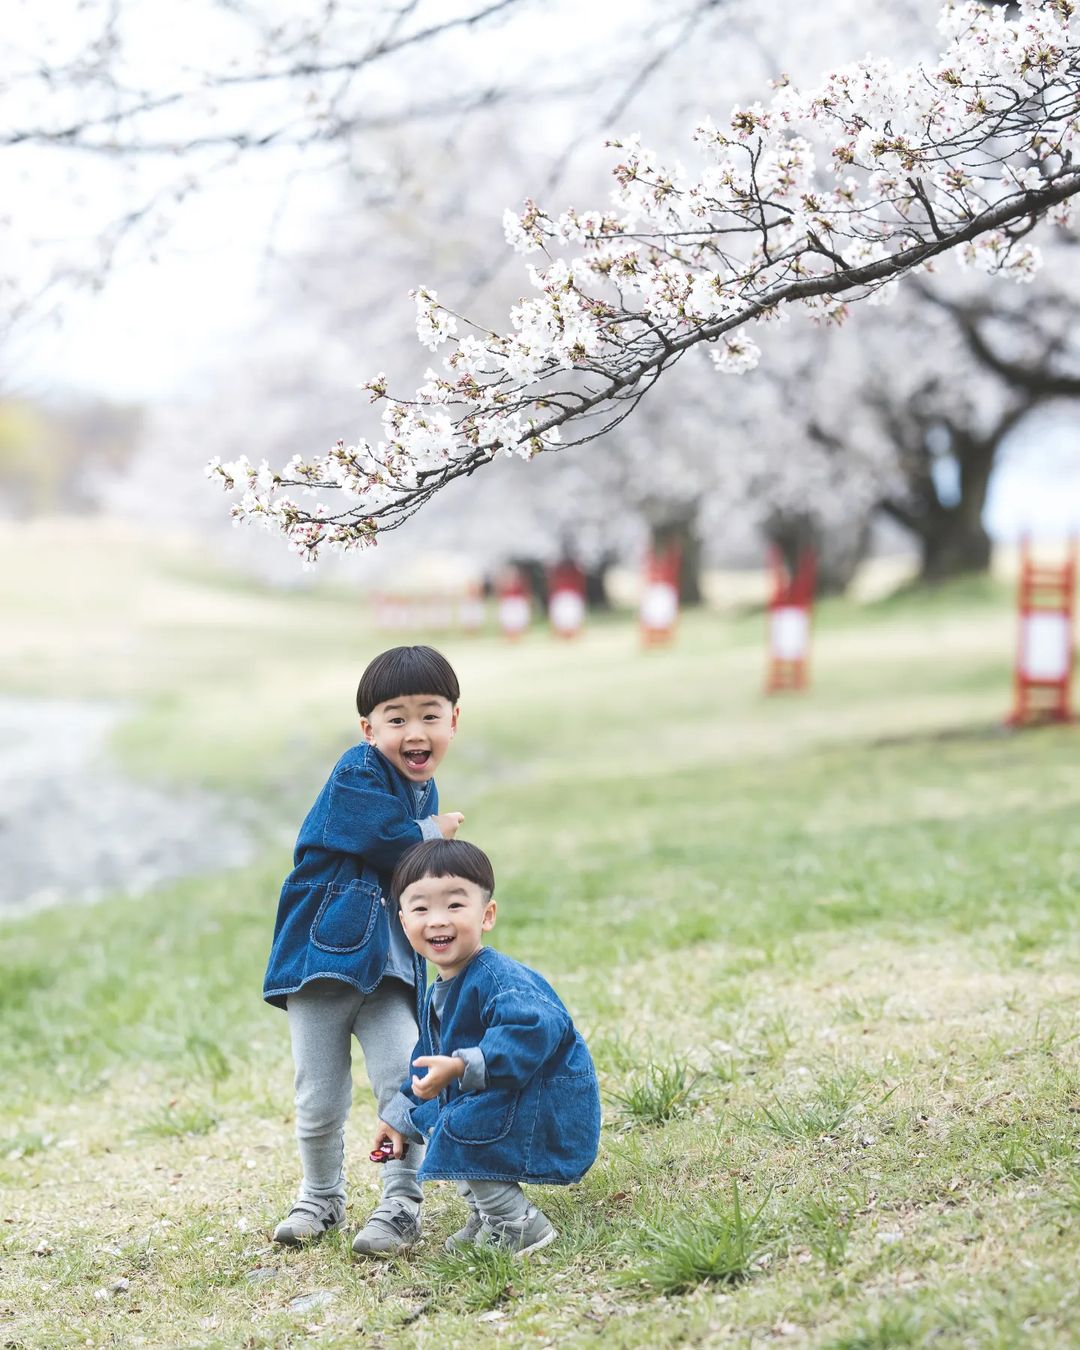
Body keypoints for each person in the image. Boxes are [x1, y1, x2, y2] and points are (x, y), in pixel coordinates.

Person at [265, 645, 464, 1256]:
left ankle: (401, 1202)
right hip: (324, 958)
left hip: (386, 967)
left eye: (429, 715)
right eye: (396, 718)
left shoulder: (422, 790)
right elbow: (384, 841)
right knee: (318, 1093)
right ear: (368, 729)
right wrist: (433, 837)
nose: (415, 732)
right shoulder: (357, 770)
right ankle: (320, 1196)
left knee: (405, 1077)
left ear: (454, 720)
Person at [375, 839, 601, 1256]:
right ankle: (486, 1213)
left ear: (487, 915)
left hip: (544, 1104)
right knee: (439, 1114)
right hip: (508, 1101)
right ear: (404, 924)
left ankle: (516, 1222)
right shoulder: (439, 991)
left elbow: (533, 1030)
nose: (437, 920)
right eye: (421, 909)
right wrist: (399, 1118)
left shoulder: (499, 979)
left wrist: (462, 1066)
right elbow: (425, 1068)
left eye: (455, 906)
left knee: (461, 1120)